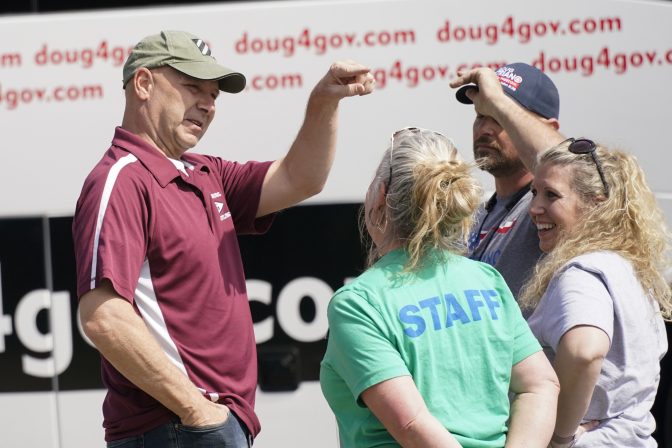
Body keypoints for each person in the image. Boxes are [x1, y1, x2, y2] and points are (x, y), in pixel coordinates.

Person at [72, 30, 374, 447]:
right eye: (192, 86)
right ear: (143, 84)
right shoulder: (121, 179)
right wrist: (197, 410)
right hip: (176, 428)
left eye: (214, 94)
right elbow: (102, 315)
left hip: (203, 426)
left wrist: (323, 102)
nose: (208, 104)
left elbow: (301, 178)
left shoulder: (203, 172)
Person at [319, 127, 560, 448]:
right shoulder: (486, 280)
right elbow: (540, 384)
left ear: (380, 196)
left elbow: (412, 426)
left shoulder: (359, 303)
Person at [520, 139, 672, 447]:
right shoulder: (628, 268)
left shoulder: (583, 273)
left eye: (552, 195)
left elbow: (584, 352)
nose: (534, 208)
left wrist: (559, 438)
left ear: (596, 204)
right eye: (534, 192)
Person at [454, 62, 561, 301]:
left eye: (501, 117)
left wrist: (497, 101)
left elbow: (569, 164)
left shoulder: (555, 208)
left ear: (549, 129)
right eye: (481, 115)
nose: (485, 129)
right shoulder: (475, 214)